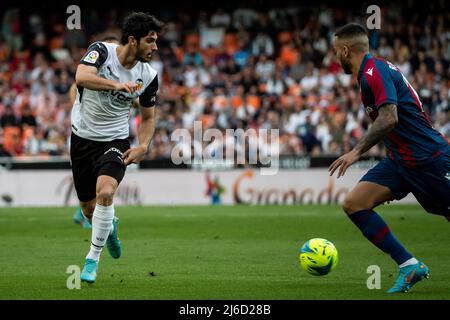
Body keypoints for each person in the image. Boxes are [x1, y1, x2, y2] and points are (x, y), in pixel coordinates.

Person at [328, 23, 450, 293]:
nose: (335, 58)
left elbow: (389, 117)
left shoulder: (375, 72)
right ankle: (409, 266)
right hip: (401, 161)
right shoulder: (371, 73)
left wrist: (355, 152)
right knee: (355, 203)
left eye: (336, 52)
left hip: (428, 158)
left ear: (346, 50)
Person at [71, 12, 164, 283]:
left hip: (115, 140)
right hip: (82, 139)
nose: (155, 47)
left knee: (106, 192)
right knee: (88, 210)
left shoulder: (148, 76)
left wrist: (143, 146)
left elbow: (148, 118)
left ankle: (92, 260)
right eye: (150, 41)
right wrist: (115, 84)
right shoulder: (101, 51)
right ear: (133, 40)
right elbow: (81, 76)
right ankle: (109, 226)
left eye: (156, 41)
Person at [70, 34, 121, 229]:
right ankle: (91, 213)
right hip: (82, 135)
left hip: (112, 138)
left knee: (106, 183)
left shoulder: (126, 76)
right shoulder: (88, 77)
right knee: (88, 200)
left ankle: (105, 214)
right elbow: (76, 93)